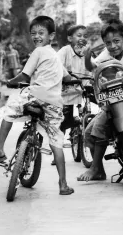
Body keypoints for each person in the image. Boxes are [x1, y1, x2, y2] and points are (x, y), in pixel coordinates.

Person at [0, 16, 74, 195]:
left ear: (50, 36)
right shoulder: (55, 56)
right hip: (54, 104)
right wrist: (77, 80)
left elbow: (24, 77)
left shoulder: (38, 52)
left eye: (40, 33)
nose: (36, 36)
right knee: (56, 143)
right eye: (33, 33)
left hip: (36, 95)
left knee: (9, 111)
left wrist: (8, 82)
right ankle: (63, 185)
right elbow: (67, 77)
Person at [77, 18, 123, 181]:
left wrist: (111, 62)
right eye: (108, 43)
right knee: (87, 134)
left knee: (98, 128)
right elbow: (93, 67)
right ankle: (99, 171)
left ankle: (93, 169)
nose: (113, 46)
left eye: (116, 41)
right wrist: (87, 57)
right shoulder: (106, 54)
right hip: (113, 100)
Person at [51, 24, 91, 165]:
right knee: (63, 121)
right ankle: (57, 152)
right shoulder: (65, 51)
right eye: (79, 35)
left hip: (82, 90)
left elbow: (92, 67)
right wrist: (67, 76)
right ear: (70, 38)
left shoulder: (87, 51)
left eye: (85, 36)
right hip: (66, 91)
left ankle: (84, 127)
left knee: (91, 111)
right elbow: (56, 64)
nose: (82, 39)